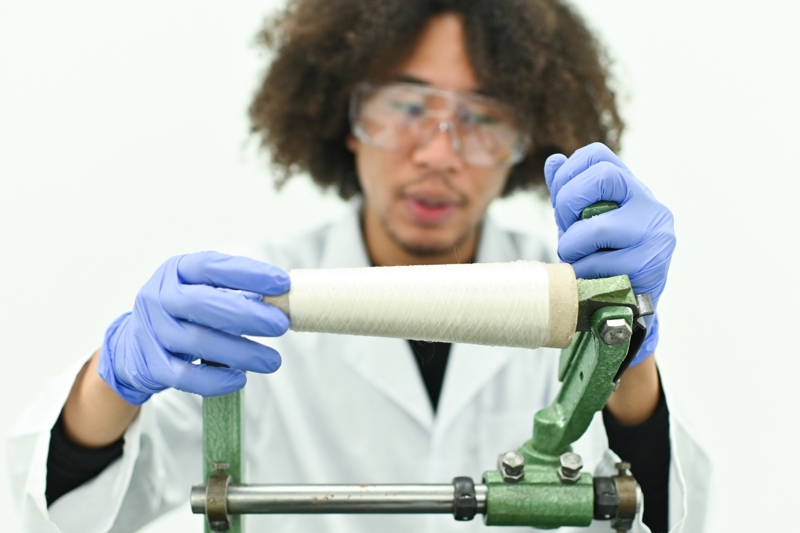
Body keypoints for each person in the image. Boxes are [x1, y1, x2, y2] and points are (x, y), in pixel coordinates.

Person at [9, 1, 710, 532]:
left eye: (483, 117)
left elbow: (669, 512)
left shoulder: (564, 301)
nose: (439, 153)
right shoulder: (252, 304)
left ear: (526, 137)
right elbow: (59, 510)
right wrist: (113, 379)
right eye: (406, 106)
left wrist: (624, 341)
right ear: (347, 117)